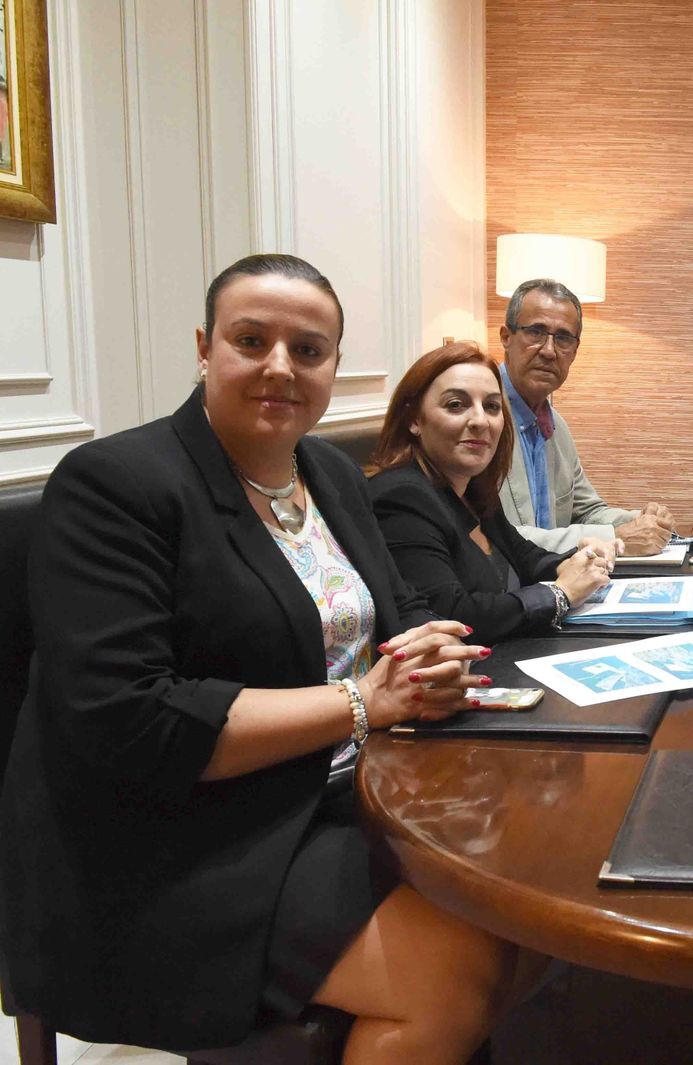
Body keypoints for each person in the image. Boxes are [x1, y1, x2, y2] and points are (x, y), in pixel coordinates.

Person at [0, 255, 539, 1061]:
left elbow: (402, 605)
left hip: (332, 793)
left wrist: (429, 645)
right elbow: (134, 720)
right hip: (169, 839)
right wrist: (366, 700)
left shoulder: (325, 471)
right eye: (251, 339)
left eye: (310, 349)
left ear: (333, 367)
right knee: (453, 973)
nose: (280, 366)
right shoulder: (115, 484)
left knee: (521, 900)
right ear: (205, 346)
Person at [368, 342, 614, 645]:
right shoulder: (401, 499)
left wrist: (574, 563)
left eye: (492, 406)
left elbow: (524, 555)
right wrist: (560, 594)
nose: (480, 420)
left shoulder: (471, 487)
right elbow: (452, 615)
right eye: (456, 405)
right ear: (414, 420)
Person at [497, 278, 675, 555]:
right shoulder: (480, 421)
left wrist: (642, 521)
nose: (548, 351)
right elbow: (498, 539)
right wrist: (616, 536)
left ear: (575, 351)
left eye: (564, 338)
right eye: (535, 332)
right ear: (506, 338)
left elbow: (587, 511)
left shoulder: (556, 427)